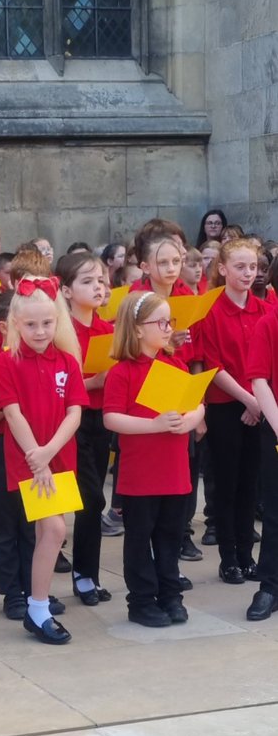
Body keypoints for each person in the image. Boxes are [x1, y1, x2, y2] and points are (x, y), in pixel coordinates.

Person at [0, 275, 88, 644]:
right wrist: (39, 458)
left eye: (47, 323)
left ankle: (39, 604)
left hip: (59, 456)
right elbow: (13, 414)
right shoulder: (7, 362)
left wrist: (50, 452)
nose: (40, 330)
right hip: (28, 459)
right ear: (16, 324)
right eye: (31, 324)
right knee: (55, 530)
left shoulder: (67, 360)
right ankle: (37, 608)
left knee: (50, 532)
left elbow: (75, 412)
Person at [103, 292, 204, 626]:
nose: (168, 328)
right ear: (137, 329)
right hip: (141, 474)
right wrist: (154, 425)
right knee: (138, 538)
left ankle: (170, 595)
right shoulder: (123, 372)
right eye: (160, 322)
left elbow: (196, 401)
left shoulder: (173, 364)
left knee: (170, 536)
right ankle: (142, 601)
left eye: (169, 321)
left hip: (174, 470)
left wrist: (191, 419)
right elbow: (111, 419)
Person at [200, 238, 266, 583]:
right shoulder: (210, 311)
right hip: (227, 406)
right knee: (227, 483)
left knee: (250, 485)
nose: (247, 273)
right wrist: (247, 399)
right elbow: (213, 365)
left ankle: (247, 553)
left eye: (252, 267)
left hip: (260, 405)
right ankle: (229, 558)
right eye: (240, 266)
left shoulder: (264, 310)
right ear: (223, 269)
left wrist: (258, 402)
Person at [57, 251, 113, 605]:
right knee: (90, 498)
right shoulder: (60, 330)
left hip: (101, 419)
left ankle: (87, 573)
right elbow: (63, 383)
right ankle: (80, 574)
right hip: (69, 421)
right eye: (87, 281)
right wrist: (95, 382)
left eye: (101, 281)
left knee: (93, 499)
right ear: (65, 290)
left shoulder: (107, 329)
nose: (98, 287)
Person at [246, 256, 278, 619]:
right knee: (275, 512)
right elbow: (259, 381)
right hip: (275, 425)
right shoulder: (268, 323)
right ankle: (269, 585)